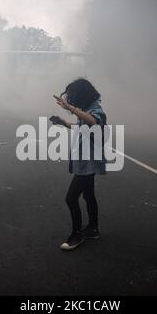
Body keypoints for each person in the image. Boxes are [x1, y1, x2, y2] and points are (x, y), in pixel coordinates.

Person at [52, 78, 107, 251]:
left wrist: (70, 108)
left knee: (71, 198)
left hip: (88, 162)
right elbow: (81, 126)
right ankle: (93, 229)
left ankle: (77, 235)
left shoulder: (96, 110)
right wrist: (63, 122)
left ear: (81, 94)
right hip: (85, 161)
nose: (70, 99)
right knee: (88, 195)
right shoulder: (87, 109)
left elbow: (93, 121)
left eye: (72, 96)